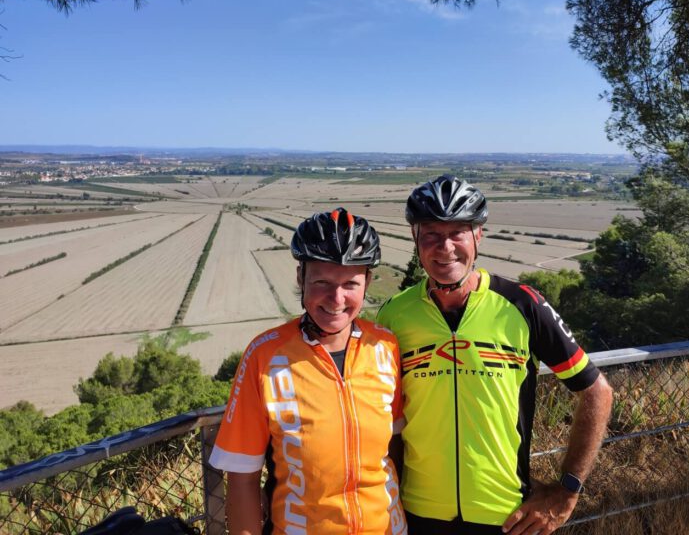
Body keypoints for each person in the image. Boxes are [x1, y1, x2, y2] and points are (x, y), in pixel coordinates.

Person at [377, 174, 613, 535]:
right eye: (432, 235)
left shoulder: (523, 304)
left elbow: (597, 392)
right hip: (417, 511)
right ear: (415, 239)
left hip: (507, 515)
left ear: (478, 236)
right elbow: (386, 413)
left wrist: (567, 491)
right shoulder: (394, 314)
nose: (445, 247)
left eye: (457, 232)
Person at [209, 208, 407, 535]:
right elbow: (242, 479)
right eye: (322, 282)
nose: (337, 298)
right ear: (300, 277)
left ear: (368, 282)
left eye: (351, 284)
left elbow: (394, 446)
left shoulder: (385, 347)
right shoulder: (265, 355)